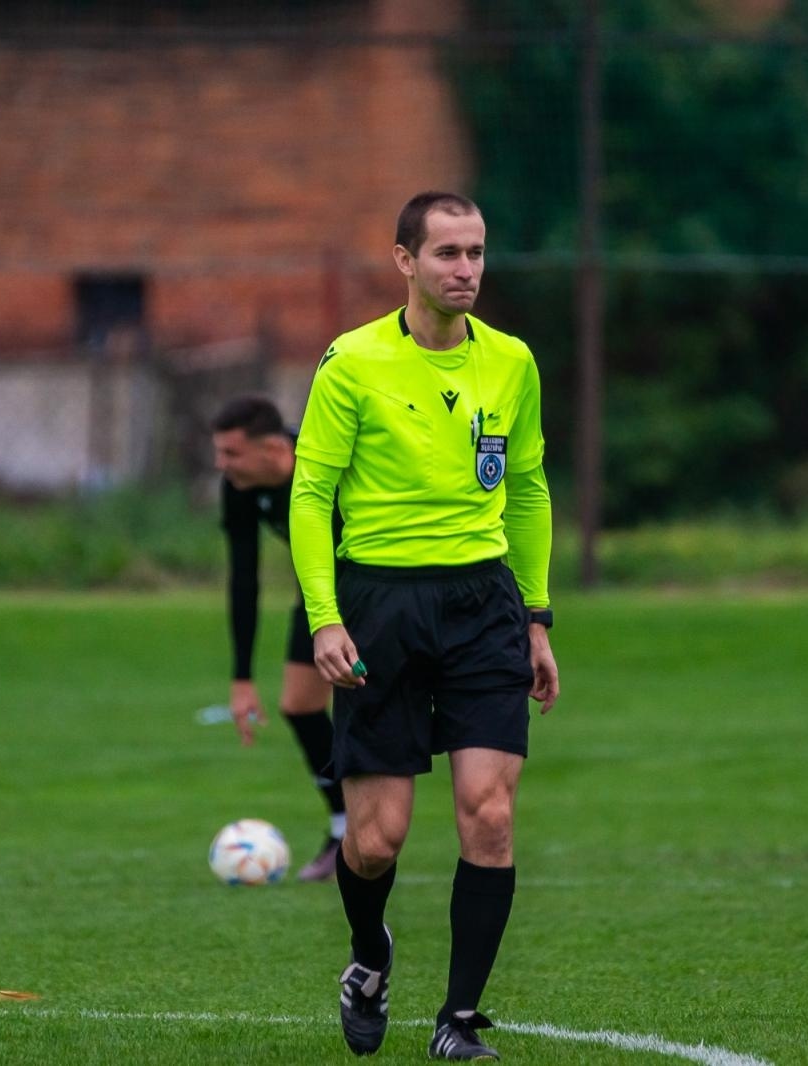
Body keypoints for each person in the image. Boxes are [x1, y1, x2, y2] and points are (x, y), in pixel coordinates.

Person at [290, 191, 559, 1061]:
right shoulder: (353, 362)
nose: (466, 269)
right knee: (375, 842)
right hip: (381, 607)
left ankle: (460, 1018)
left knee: (489, 813)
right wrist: (326, 620)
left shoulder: (512, 362)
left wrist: (538, 618)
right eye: (447, 253)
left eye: (476, 251)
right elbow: (309, 494)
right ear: (404, 260)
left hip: (484, 605)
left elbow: (525, 491)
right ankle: (370, 958)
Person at [212, 394, 347, 882]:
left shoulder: (324, 461)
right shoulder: (240, 488)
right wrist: (242, 678)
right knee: (300, 704)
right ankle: (345, 827)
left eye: (231, 454)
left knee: (370, 703)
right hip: (318, 594)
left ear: (273, 450)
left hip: (379, 588)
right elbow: (243, 579)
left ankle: (376, 827)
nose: (220, 465)